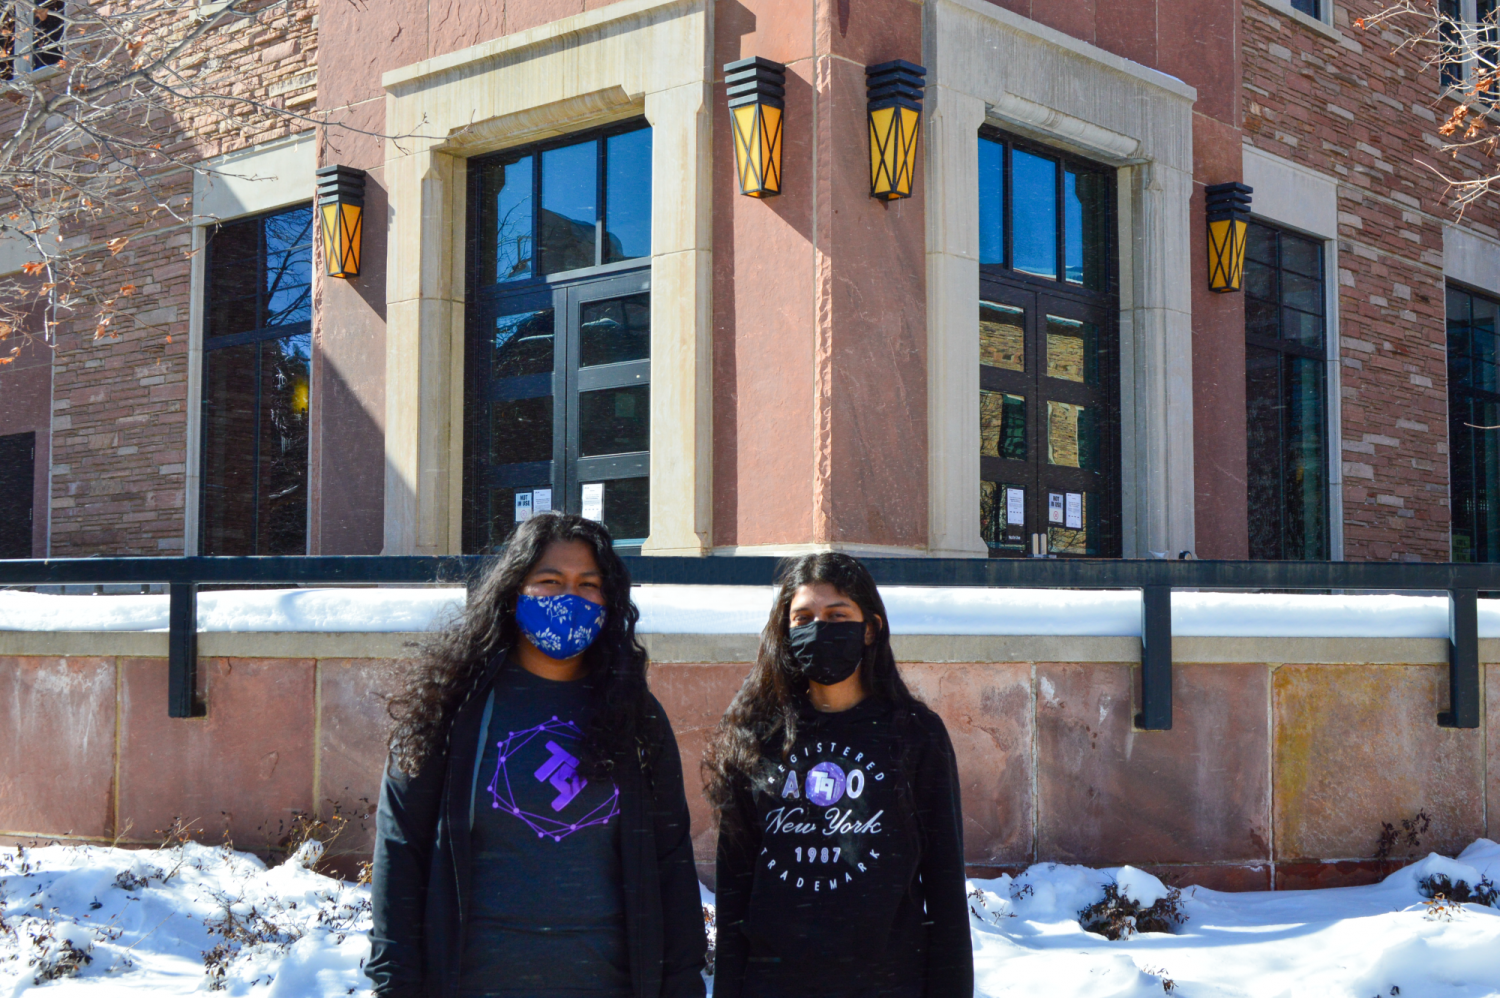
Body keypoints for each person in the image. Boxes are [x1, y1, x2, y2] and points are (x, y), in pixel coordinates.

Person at [366, 513, 706, 998]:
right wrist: (392, 985)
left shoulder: (637, 716)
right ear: (512, 593)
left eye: (589, 584)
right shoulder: (451, 708)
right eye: (550, 581)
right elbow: (400, 852)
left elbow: (671, 862)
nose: (570, 597)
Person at [704, 553, 972, 998]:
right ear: (785, 632)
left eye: (837, 615)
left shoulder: (915, 735)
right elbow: (735, 887)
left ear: (870, 628)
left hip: (887, 983)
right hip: (775, 985)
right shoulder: (755, 735)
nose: (819, 628)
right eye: (803, 616)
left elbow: (944, 889)